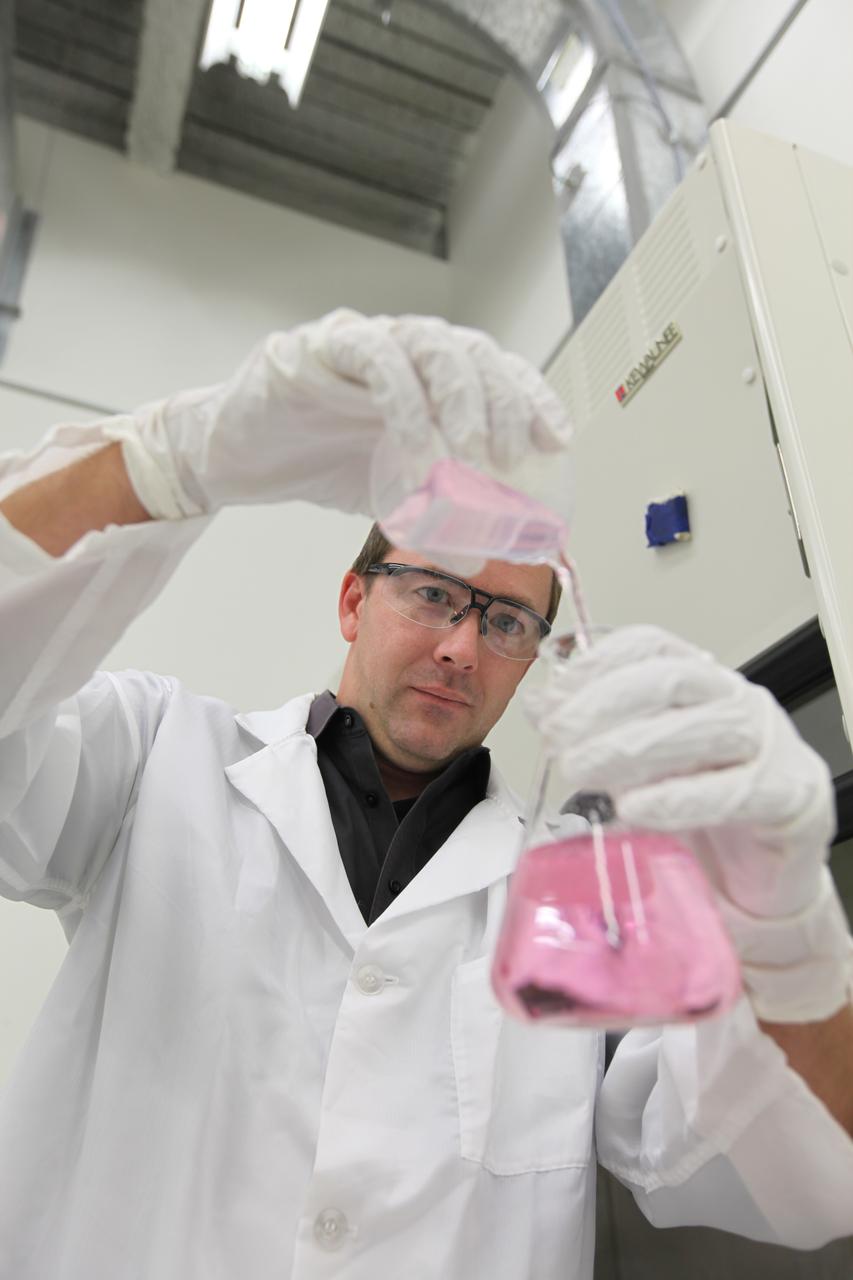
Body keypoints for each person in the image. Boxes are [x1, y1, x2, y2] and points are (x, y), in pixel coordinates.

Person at [0, 311, 851, 1280]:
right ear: (354, 600)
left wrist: (787, 929)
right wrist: (158, 464)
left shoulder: (588, 901)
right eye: (432, 592)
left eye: (504, 620)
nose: (460, 647)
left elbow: (791, 1166)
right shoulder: (152, 757)